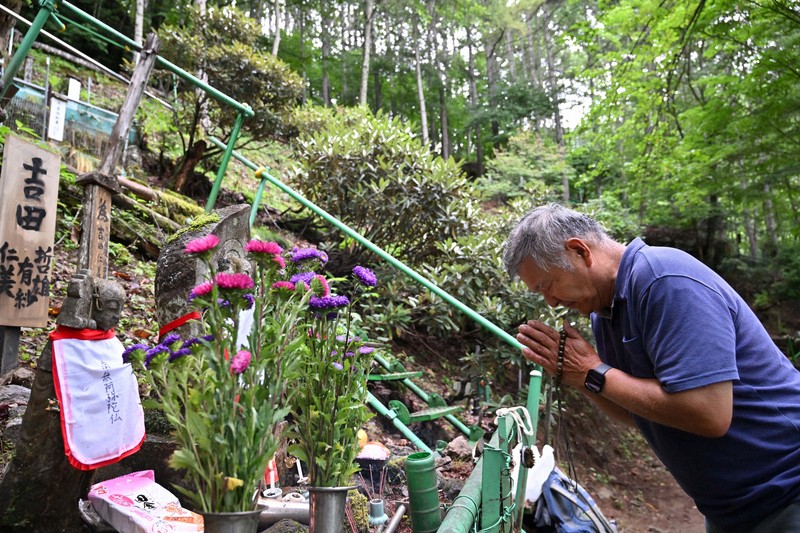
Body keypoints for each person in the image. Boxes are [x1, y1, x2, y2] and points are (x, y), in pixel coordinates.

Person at [503, 203, 800, 533]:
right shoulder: (605, 311)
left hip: (787, 488)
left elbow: (710, 414)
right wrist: (580, 377)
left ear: (579, 251)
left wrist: (591, 371)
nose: (551, 302)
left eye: (547, 285)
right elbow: (636, 412)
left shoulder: (664, 280)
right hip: (732, 509)